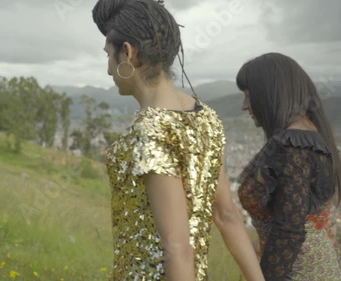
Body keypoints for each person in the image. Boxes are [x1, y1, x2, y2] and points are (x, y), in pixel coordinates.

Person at [92, 0, 265, 280]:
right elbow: (227, 216)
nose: (108, 70)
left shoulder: (150, 132)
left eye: (108, 56)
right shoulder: (206, 118)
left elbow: (177, 247)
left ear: (127, 53)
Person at [236, 52, 341, 280]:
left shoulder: (293, 147)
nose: (244, 106)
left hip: (297, 273)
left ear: (271, 94)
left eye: (249, 96)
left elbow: (289, 231)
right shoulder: (309, 135)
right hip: (315, 265)